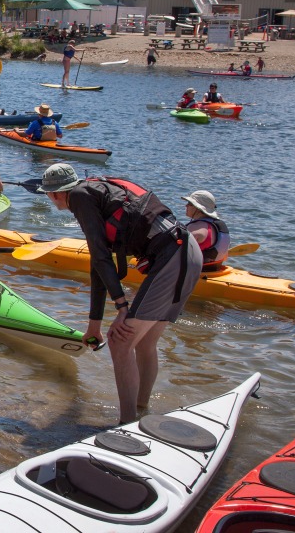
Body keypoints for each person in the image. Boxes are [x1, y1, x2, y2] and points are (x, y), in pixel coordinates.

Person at [37, 163, 202, 423]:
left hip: (172, 256)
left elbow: (102, 259)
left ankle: (126, 425)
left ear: (54, 194)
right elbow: (98, 264)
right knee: (145, 343)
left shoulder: (78, 197)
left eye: (48, 195)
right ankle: (141, 411)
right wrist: (94, 325)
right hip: (188, 252)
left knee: (120, 340)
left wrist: (122, 307)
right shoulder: (99, 189)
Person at [183, 190, 230, 271]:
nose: (186, 206)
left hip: (198, 272)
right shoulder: (220, 226)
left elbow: (175, 253)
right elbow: (225, 256)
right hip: (215, 269)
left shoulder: (194, 228)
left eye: (190, 204)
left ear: (198, 208)